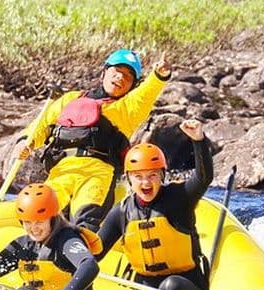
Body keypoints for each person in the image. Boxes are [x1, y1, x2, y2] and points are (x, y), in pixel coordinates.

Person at [13, 49, 172, 231]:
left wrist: (159, 76)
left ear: (132, 86)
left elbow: (147, 93)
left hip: (97, 175)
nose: (120, 77)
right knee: (37, 210)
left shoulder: (128, 109)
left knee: (84, 221)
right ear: (104, 72)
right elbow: (41, 126)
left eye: (128, 76)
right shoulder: (71, 99)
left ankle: (80, 250)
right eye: (116, 71)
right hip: (61, 171)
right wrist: (25, 142)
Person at [96, 119, 213, 290]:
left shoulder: (179, 198)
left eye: (152, 175)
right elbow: (94, 253)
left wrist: (198, 141)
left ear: (162, 176)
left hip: (185, 287)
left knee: (171, 287)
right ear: (128, 179)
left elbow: (203, 178)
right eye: (138, 177)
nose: (146, 183)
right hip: (144, 289)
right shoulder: (121, 212)